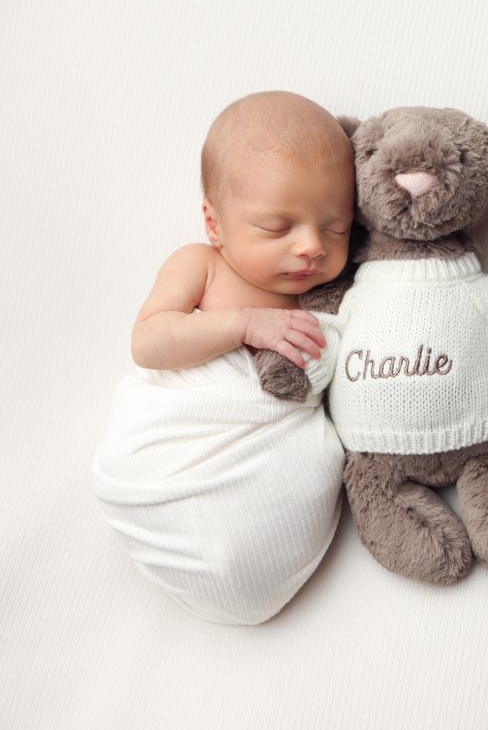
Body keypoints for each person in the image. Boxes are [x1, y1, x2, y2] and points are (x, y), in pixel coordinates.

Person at [92, 91, 355, 625]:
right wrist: (243, 324)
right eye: (278, 227)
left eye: (336, 227)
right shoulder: (201, 265)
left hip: (269, 476)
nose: (311, 247)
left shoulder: (330, 296)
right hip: (176, 457)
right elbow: (150, 341)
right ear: (214, 223)